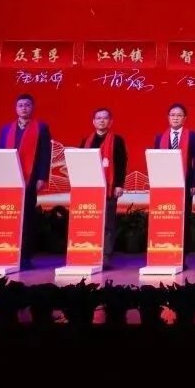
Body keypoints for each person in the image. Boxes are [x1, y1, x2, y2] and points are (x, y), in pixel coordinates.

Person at [0, 93, 52, 269]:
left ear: (32, 107)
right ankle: (6, 253)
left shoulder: (41, 128)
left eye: (27, 105)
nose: (24, 108)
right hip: (9, 179)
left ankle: (25, 257)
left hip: (30, 179)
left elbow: (45, 153)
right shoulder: (6, 129)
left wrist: (42, 177)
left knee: (27, 218)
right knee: (8, 217)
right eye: (20, 105)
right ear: (16, 108)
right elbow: (0, 153)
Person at [79, 108, 127, 269]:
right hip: (89, 189)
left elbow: (121, 163)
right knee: (90, 222)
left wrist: (119, 184)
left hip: (110, 187)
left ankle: (106, 255)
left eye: (105, 118)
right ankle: (88, 252)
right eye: (98, 118)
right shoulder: (86, 141)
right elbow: (80, 164)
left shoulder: (117, 140)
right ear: (93, 121)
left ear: (110, 122)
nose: (101, 120)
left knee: (108, 223)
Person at [153, 103, 195, 201]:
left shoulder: (192, 136)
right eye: (172, 115)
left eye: (179, 115)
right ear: (168, 117)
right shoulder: (159, 138)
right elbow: (156, 162)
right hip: (164, 182)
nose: (175, 118)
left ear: (184, 118)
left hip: (186, 181)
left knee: (184, 208)